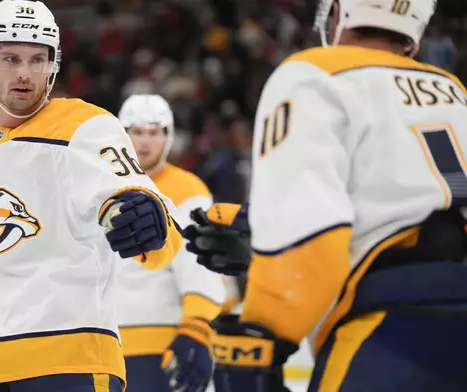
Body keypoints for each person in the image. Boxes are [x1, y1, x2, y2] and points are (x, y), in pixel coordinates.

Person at [183, 0, 467, 391]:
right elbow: (424, 211)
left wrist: (263, 332)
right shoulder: (453, 89)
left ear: (338, 12)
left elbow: (312, 234)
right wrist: (266, 233)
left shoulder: (314, 73)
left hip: (391, 335)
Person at [0, 1, 183, 391]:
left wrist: (148, 222)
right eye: (11, 59)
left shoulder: (88, 126)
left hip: (67, 358)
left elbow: (149, 210)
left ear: (54, 64)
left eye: (38, 60)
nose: (25, 74)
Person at [116, 94, 225, 392]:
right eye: (136, 132)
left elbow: (202, 268)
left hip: (163, 347)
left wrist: (196, 327)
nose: (145, 142)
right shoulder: (99, 185)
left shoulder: (187, 189)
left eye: (155, 133)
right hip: (102, 349)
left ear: (169, 137)